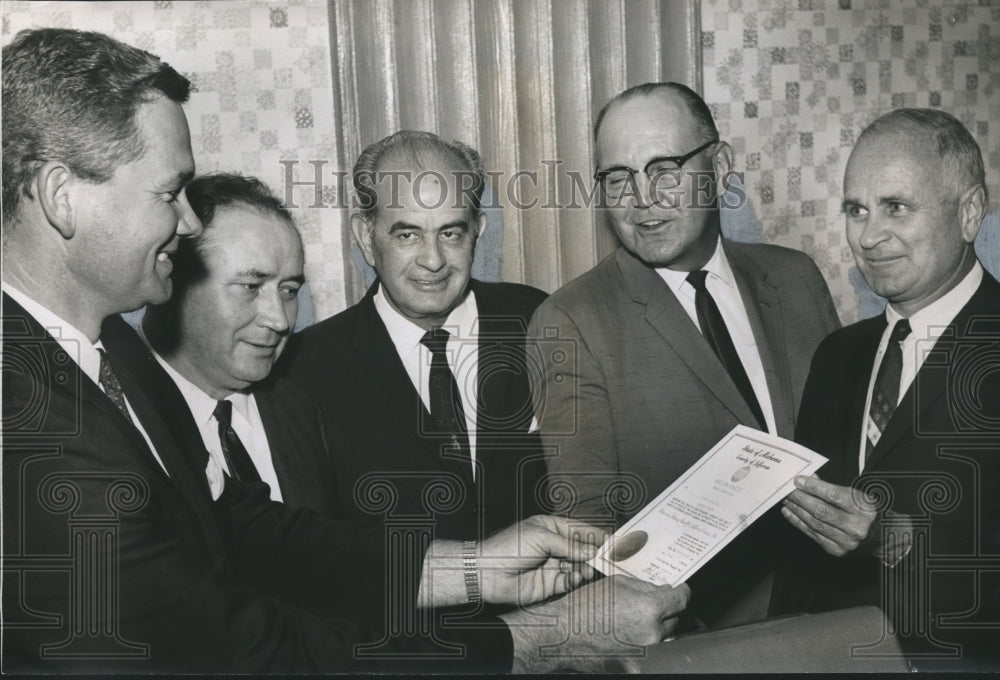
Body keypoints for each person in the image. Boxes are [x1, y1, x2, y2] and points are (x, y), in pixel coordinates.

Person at [1, 28, 689, 673]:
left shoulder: (115, 351)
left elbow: (248, 533)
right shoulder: (27, 428)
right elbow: (249, 654)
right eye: (170, 191)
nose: (187, 222)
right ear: (63, 197)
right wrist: (549, 635)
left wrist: (472, 567)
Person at [530, 82, 840, 627]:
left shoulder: (795, 278)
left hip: (841, 610)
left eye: (664, 169)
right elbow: (587, 537)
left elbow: (845, 456)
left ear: (718, 166)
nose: (641, 198)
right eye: (618, 177)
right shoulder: (571, 320)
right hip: (698, 638)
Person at [779, 108, 1000, 670]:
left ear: (969, 212)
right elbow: (801, 559)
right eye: (857, 210)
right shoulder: (837, 355)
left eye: (896, 207)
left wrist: (896, 540)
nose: (869, 237)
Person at [281, 130, 549, 541]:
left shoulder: (538, 319)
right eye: (407, 235)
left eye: (450, 233)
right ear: (366, 237)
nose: (433, 260)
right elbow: (319, 543)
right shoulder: (306, 369)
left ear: (477, 231)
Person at [139, 173, 336, 515]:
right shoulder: (116, 413)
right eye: (250, 287)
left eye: (289, 291)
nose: (280, 320)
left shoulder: (307, 408)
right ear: (172, 282)